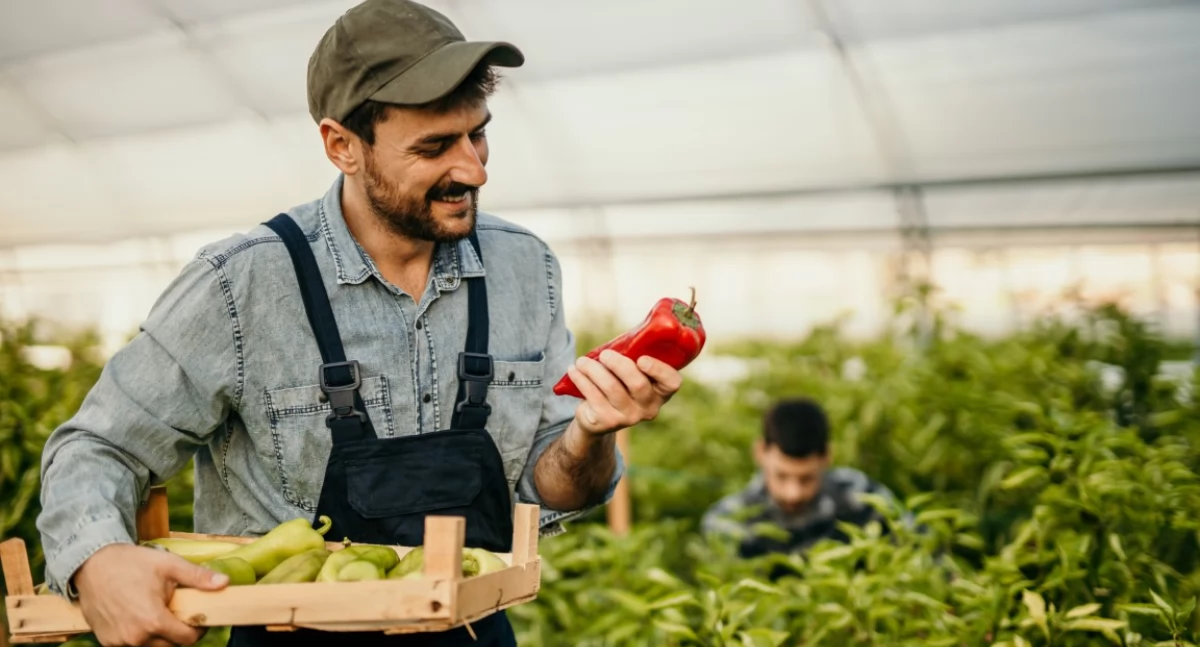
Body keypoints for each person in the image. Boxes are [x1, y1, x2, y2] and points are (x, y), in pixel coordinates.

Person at [34, 1, 684, 645]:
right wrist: (98, 559)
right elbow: (100, 444)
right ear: (341, 145)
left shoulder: (525, 268)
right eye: (434, 146)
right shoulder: (245, 284)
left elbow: (556, 483)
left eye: (478, 133)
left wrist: (590, 436)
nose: (474, 169)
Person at [701, 397, 903, 561]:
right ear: (760, 452)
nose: (793, 493)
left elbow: (916, 546)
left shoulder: (861, 497)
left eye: (806, 478)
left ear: (827, 456)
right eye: (781, 476)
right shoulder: (729, 521)